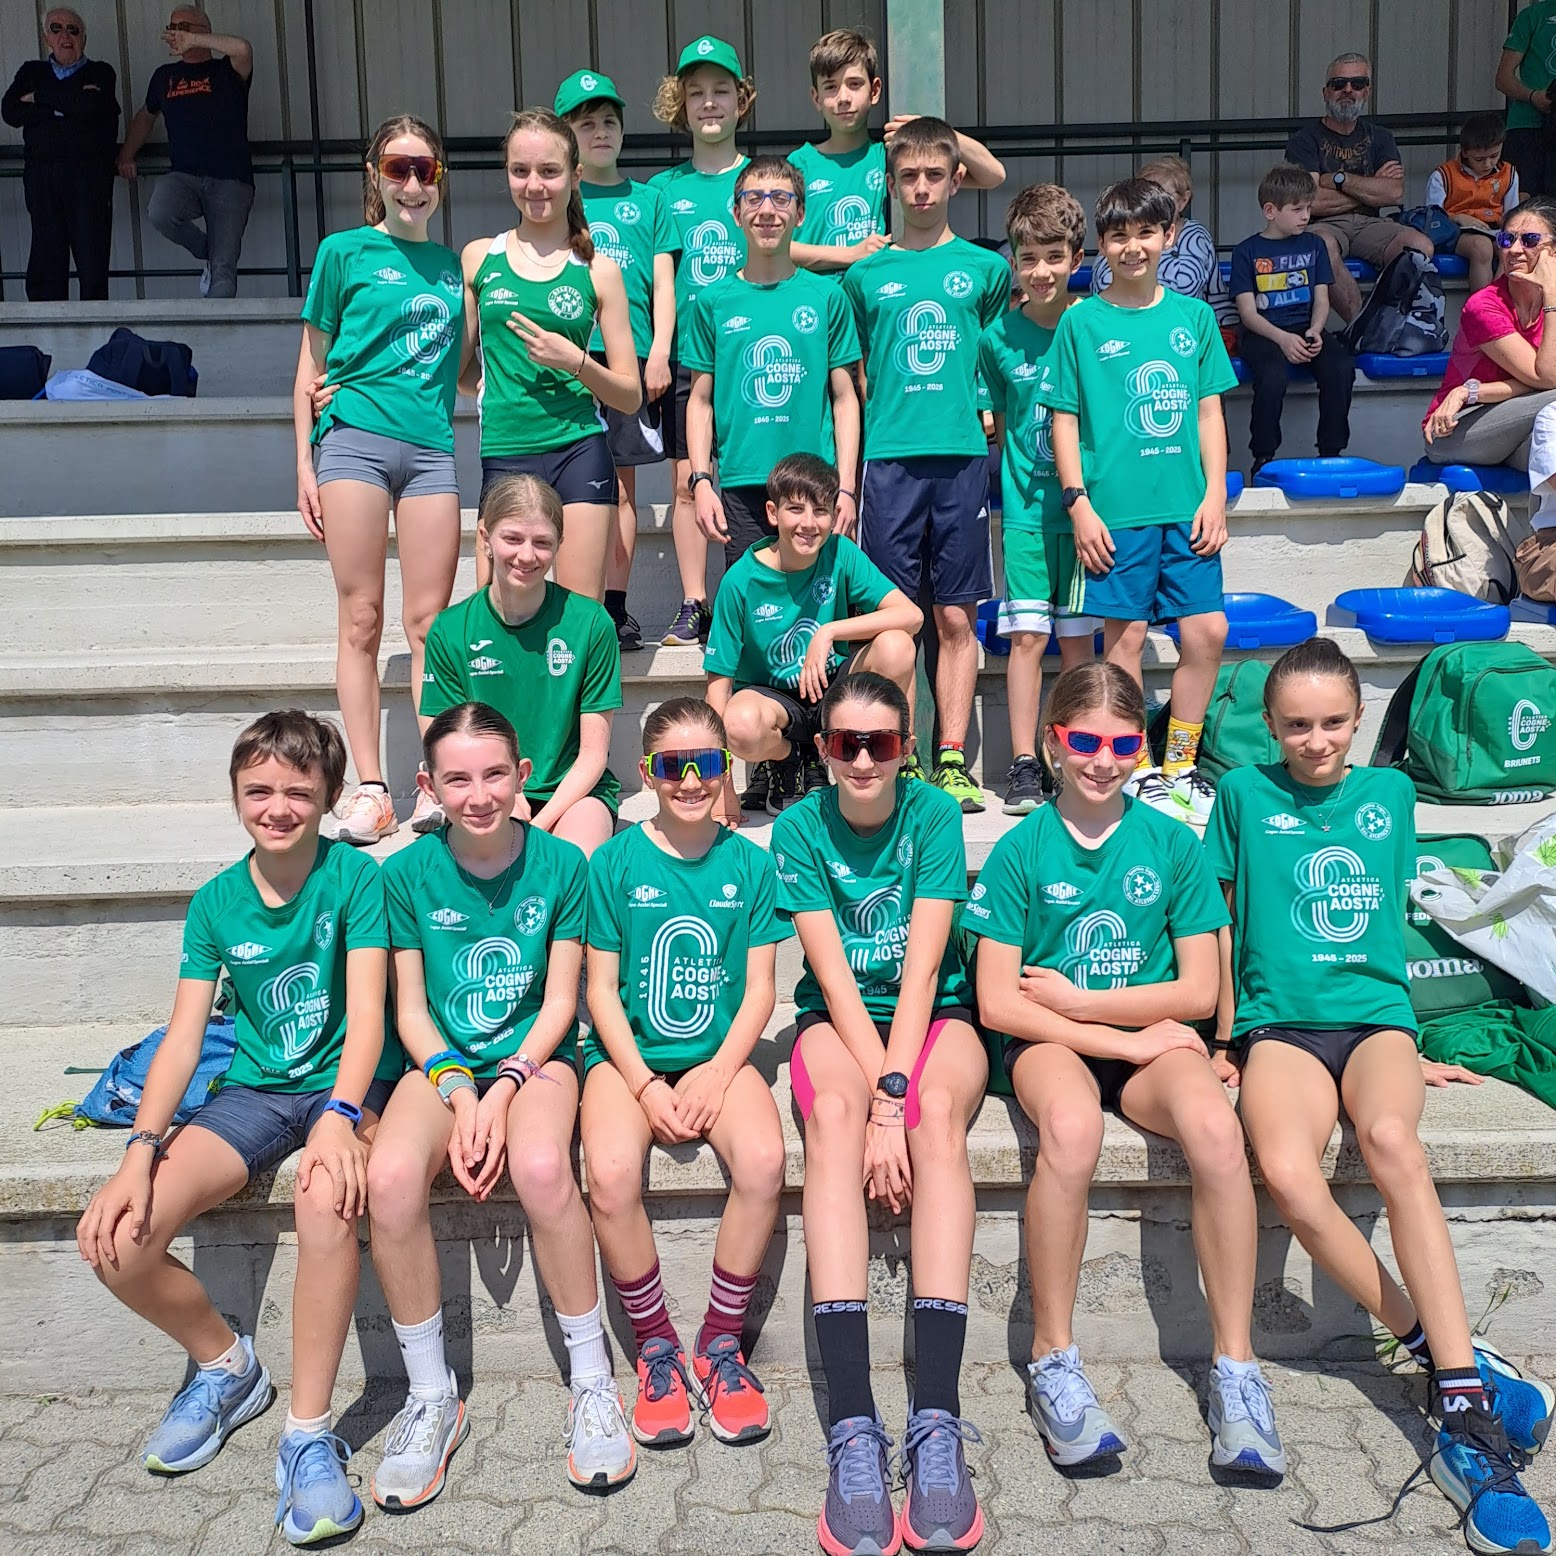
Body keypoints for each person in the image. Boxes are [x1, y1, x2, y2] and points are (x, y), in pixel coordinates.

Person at [1205, 637, 1554, 1556]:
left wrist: (1414, 1047)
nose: (1316, 741)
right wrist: (1227, 1038)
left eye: (1332, 723)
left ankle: (1468, 1431)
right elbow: (1225, 922)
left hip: (1377, 1025)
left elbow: (1388, 930)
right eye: (1296, 725)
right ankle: (1454, 1366)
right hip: (1280, 1026)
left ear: (1359, 720)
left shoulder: (1391, 795)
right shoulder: (1241, 795)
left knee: (1394, 1142)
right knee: (1288, 1173)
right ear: (1269, 726)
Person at [74, 711, 401, 1547]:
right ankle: (228, 1368)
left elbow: (369, 1014)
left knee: (326, 1199)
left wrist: (340, 1117)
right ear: (234, 794)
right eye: (259, 790)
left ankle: (307, 1437)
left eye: (298, 791)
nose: (277, 807)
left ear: (329, 797)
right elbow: (184, 1039)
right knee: (118, 1242)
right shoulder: (217, 901)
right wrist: (139, 1153)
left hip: (346, 1086)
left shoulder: (354, 880)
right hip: (253, 1091)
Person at [965, 661, 1282, 1477]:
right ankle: (1054, 1360)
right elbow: (998, 1004)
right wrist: (1119, 1036)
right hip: (1051, 1044)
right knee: (1072, 1131)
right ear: (1052, 742)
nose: (1103, 760)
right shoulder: (1021, 849)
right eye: (1084, 742)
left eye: (1121, 744)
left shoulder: (1172, 842)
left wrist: (1085, 1003)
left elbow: (1200, 989)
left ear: (1142, 747)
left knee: (1217, 1131)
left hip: (1125, 1035)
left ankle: (1236, 1370)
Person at [370, 701, 634, 1506]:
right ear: (427, 786)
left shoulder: (562, 864)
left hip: (537, 1057)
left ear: (522, 777)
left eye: (494, 775)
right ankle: (430, 1397)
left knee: (544, 1164)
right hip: (442, 1062)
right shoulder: (404, 875)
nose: (478, 794)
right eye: (457, 779)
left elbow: (560, 1002)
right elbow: (410, 1011)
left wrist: (509, 1082)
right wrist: (460, 1091)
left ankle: (592, 1381)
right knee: (389, 1178)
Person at [771, 671, 989, 1556]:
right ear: (822, 749)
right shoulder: (797, 826)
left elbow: (926, 970)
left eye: (882, 743)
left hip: (937, 1014)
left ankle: (935, 1418)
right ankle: (855, 1428)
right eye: (844, 743)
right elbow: (833, 980)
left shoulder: (932, 815)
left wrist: (893, 1104)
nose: (863, 759)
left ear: (907, 748)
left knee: (935, 1114)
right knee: (833, 1118)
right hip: (840, 1018)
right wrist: (872, 1103)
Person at [582, 698, 789, 1450]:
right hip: (627, 1058)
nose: (692, 780)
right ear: (648, 773)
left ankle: (719, 1342)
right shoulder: (613, 862)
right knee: (610, 1174)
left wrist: (717, 1073)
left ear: (727, 767)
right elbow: (601, 992)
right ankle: (657, 1347)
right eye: (674, 766)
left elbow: (761, 991)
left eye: (706, 763)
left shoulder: (751, 863)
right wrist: (644, 1084)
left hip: (717, 1056)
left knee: (763, 1162)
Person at [294, 115, 467, 848]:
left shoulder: (456, 268)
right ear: (375, 174)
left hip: (430, 449)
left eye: (425, 169)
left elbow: (464, 368)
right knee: (361, 618)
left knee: (429, 624)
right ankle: (371, 788)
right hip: (354, 443)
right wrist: (304, 463)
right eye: (398, 168)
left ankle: (435, 781)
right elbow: (309, 369)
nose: (412, 183)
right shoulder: (343, 252)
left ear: (440, 178)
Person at [1045, 177, 1237, 829]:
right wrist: (1078, 503)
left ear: (1169, 236)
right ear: (1100, 246)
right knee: (1122, 641)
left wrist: (1216, 493)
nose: (1133, 247)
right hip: (1115, 515)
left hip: (1187, 510)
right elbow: (1064, 419)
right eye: (1119, 236)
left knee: (1208, 631)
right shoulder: (1081, 322)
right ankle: (1139, 768)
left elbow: (1209, 413)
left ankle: (1180, 766)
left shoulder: (1194, 318)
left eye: (1146, 233)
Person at [842, 115, 1009, 814]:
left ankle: (952, 760)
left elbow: (998, 357)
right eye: (907, 176)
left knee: (956, 620)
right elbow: (852, 374)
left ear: (956, 180)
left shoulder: (987, 269)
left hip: (963, 460)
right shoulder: (863, 276)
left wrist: (986, 404)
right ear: (890, 183)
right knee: (895, 622)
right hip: (887, 463)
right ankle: (901, 755)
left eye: (934, 175)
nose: (920, 188)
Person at [464, 108, 641, 603]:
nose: (534, 185)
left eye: (549, 171)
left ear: (575, 175)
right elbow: (457, 371)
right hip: (505, 448)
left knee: (580, 612)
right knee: (501, 612)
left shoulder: (599, 270)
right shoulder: (480, 258)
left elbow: (629, 395)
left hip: (579, 448)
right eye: (520, 171)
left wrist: (575, 362)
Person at [704, 452, 921, 816]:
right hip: (773, 700)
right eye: (795, 509)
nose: (808, 523)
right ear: (773, 513)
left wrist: (828, 632)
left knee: (897, 646)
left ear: (834, 516)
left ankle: (896, 761)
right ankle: (789, 758)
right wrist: (721, 786)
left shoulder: (839, 553)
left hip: (833, 688)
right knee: (739, 725)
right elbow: (717, 688)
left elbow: (911, 615)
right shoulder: (739, 581)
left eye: (820, 511)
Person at [419, 474, 621, 860]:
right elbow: (444, 739)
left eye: (542, 542)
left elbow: (594, 755)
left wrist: (536, 827)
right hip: (488, 788)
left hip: (572, 793)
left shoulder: (591, 623)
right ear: (485, 538)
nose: (527, 556)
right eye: (512, 538)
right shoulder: (450, 629)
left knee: (570, 863)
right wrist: (505, 795)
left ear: (559, 544)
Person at [977, 183, 1100, 816]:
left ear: (1077, 257)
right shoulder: (997, 338)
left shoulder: (1096, 326)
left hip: (1086, 521)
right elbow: (999, 421)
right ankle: (1025, 762)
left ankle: (1073, 754)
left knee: (1077, 642)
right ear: (1014, 263)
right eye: (1028, 258)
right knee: (1027, 637)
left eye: (1054, 256)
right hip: (1025, 513)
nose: (1042, 270)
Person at [682, 155, 862, 572]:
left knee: (819, 602)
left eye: (781, 198)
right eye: (754, 198)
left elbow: (844, 398)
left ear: (800, 214)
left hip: (815, 485)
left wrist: (847, 487)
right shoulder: (712, 301)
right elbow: (700, 401)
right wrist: (702, 481)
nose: (767, 210)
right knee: (753, 603)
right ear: (736, 213)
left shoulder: (828, 297)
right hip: (742, 481)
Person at [554, 68, 678, 652]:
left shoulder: (649, 200)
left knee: (621, 487)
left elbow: (664, 284)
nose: (599, 132)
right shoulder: (558, 198)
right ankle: (567, 602)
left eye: (609, 121)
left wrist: (660, 351)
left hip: (630, 356)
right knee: (569, 485)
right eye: (586, 124)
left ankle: (616, 606)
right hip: (570, 355)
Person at [649, 35, 755, 647]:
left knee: (750, 478)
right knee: (689, 477)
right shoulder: (664, 190)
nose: (709, 103)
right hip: (691, 357)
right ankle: (695, 602)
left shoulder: (763, 179)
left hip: (752, 356)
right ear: (681, 105)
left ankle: (750, 594)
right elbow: (656, 279)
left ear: (742, 100)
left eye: (720, 91)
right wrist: (658, 350)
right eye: (696, 93)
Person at [788, 27, 1005, 278]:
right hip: (816, 297)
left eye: (854, 84)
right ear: (816, 98)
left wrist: (936, 130)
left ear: (875, 91)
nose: (843, 97)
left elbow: (993, 175)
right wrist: (850, 254)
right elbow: (775, 246)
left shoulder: (891, 158)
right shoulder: (799, 164)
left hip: (877, 296)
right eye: (830, 87)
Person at [1282, 52, 1435, 323]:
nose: (1348, 90)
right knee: (1320, 245)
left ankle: (1389, 322)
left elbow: (1394, 193)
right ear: (1326, 92)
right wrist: (1371, 189)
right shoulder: (1304, 140)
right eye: (1339, 83)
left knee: (1420, 246)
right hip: (1323, 225)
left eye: (1358, 83)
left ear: (1368, 90)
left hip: (1371, 225)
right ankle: (1361, 328)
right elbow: (1309, 202)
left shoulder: (1381, 137)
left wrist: (1338, 180)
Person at [116, 7, 254, 298]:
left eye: (184, 27)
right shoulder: (165, 76)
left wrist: (194, 40)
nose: (176, 33)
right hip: (184, 177)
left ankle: (216, 321)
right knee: (160, 211)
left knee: (224, 275)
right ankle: (209, 251)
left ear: (205, 31)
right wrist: (126, 155)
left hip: (232, 180)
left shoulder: (226, 70)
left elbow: (243, 48)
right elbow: (145, 117)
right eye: (173, 27)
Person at [1230, 162, 1355, 474]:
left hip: (1305, 327)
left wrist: (1315, 330)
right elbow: (1248, 313)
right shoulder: (1246, 251)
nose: (1305, 216)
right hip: (1263, 332)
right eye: (1297, 209)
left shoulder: (1315, 245)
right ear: (1270, 211)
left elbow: (1322, 299)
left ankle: (1330, 453)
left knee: (1341, 367)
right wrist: (1283, 339)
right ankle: (1263, 457)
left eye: (1308, 208)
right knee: (1272, 375)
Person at [1423, 194, 1556, 470]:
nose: (1514, 250)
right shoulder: (1484, 306)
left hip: (1522, 427)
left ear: (1552, 252)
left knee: (1550, 454)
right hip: (1458, 429)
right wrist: (1552, 296)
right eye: (1507, 240)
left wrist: (1471, 391)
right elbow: (1547, 378)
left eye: (1529, 240)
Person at [2, 8, 118, 301]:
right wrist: (71, 104)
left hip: (89, 177)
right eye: (56, 28)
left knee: (92, 259)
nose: (65, 35)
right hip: (42, 176)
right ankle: (48, 327)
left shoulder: (101, 72)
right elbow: (11, 111)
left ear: (84, 39)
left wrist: (39, 98)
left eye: (73, 29)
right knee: (46, 259)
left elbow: (93, 108)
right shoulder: (31, 71)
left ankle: (96, 326)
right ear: (46, 38)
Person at [1088, 156, 1236, 339]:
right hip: (1120, 327)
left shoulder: (1195, 236)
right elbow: (1102, 285)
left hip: (1185, 331)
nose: (1153, 201)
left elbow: (1200, 290)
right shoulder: (1117, 239)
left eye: (1162, 195)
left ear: (1183, 201)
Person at [1426, 113, 1522, 291]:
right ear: (1464, 152)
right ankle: (1482, 305)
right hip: (1456, 232)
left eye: (1494, 156)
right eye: (1479, 159)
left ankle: (1497, 301)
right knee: (1481, 247)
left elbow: (1512, 215)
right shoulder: (1443, 175)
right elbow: (1432, 216)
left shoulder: (1509, 174)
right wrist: (1457, 217)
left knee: (1509, 247)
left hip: (1493, 230)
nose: (1488, 164)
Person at [1496, 0, 1556, 198]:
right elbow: (1503, 78)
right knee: (1520, 201)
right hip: (1527, 125)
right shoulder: (1532, 16)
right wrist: (1532, 96)